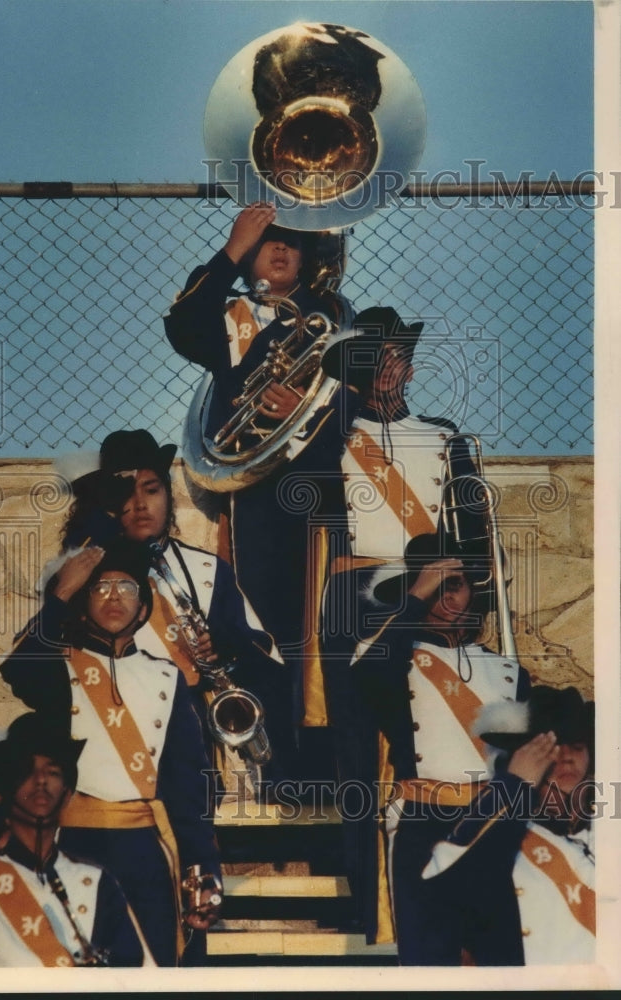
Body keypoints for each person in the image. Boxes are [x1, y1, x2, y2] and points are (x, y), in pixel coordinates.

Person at [163, 204, 354, 776]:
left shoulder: (332, 316)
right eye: (266, 240)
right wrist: (229, 248)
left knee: (319, 634)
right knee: (258, 626)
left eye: (291, 244)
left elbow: (361, 400)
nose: (278, 249)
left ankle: (324, 771)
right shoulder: (227, 317)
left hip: (317, 493)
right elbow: (181, 326)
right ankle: (274, 769)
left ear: (308, 259)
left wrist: (307, 409)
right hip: (251, 499)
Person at [319, 308, 484, 940]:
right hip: (355, 597)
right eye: (371, 359)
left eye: (395, 357)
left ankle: (431, 903)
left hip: (433, 599)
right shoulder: (328, 436)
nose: (387, 369)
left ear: (410, 366)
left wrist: (469, 616)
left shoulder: (446, 438)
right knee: (359, 756)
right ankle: (370, 910)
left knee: (436, 750)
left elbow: (474, 538)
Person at [0, 537, 222, 967]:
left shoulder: (168, 678)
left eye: (127, 587)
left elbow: (188, 784)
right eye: (100, 588)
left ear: (143, 609)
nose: (115, 596)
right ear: (83, 605)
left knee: (152, 966)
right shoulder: (58, 666)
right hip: (72, 845)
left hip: (148, 850)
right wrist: (61, 592)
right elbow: (17, 669)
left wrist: (202, 866)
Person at [55, 426, 295, 789]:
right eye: (126, 493)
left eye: (152, 491)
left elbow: (268, 658)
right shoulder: (81, 574)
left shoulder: (208, 571)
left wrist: (226, 648)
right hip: (107, 739)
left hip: (190, 742)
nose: (140, 505)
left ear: (168, 495)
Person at [352, 532, 531, 963]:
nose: (447, 595)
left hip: (493, 826)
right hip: (423, 826)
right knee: (429, 963)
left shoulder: (508, 670)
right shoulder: (389, 659)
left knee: (496, 965)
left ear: (472, 591)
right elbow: (362, 681)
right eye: (436, 584)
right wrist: (416, 595)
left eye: (457, 583)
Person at [421, 684, 596, 965]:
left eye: (577, 746)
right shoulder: (499, 835)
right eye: (551, 747)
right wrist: (513, 785)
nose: (566, 756)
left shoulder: (605, 832)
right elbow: (447, 883)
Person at [0, 711, 148, 968]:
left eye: (53, 771)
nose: (41, 780)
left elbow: (128, 967)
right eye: (27, 771)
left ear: (67, 795)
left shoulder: (96, 882)